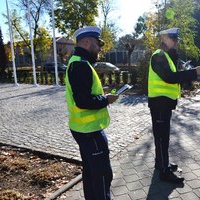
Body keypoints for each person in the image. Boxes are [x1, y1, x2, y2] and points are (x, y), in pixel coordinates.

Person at [65, 26, 119, 200]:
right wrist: (106, 100)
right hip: (90, 131)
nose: (100, 48)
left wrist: (101, 92)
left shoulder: (78, 61)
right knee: (102, 175)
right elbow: (83, 101)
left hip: (83, 129)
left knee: (90, 172)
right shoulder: (80, 65)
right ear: (87, 42)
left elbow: (83, 93)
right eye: (98, 44)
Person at [148, 27, 200, 183]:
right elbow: (170, 77)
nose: (176, 43)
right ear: (165, 39)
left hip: (163, 103)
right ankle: (164, 171)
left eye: (177, 40)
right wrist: (194, 72)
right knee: (162, 138)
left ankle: (161, 163)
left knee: (162, 136)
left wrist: (190, 74)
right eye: (174, 40)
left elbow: (173, 77)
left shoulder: (166, 56)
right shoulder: (159, 56)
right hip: (160, 103)